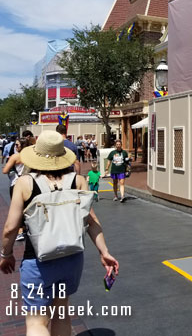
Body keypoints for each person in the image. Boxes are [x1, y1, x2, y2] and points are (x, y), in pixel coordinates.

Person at [0, 130, 119, 336]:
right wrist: (104, 252)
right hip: (71, 259)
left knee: (37, 321)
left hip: (37, 260)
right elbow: (92, 222)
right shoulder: (78, 181)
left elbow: (11, 228)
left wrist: (6, 254)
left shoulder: (25, 183)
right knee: (61, 312)